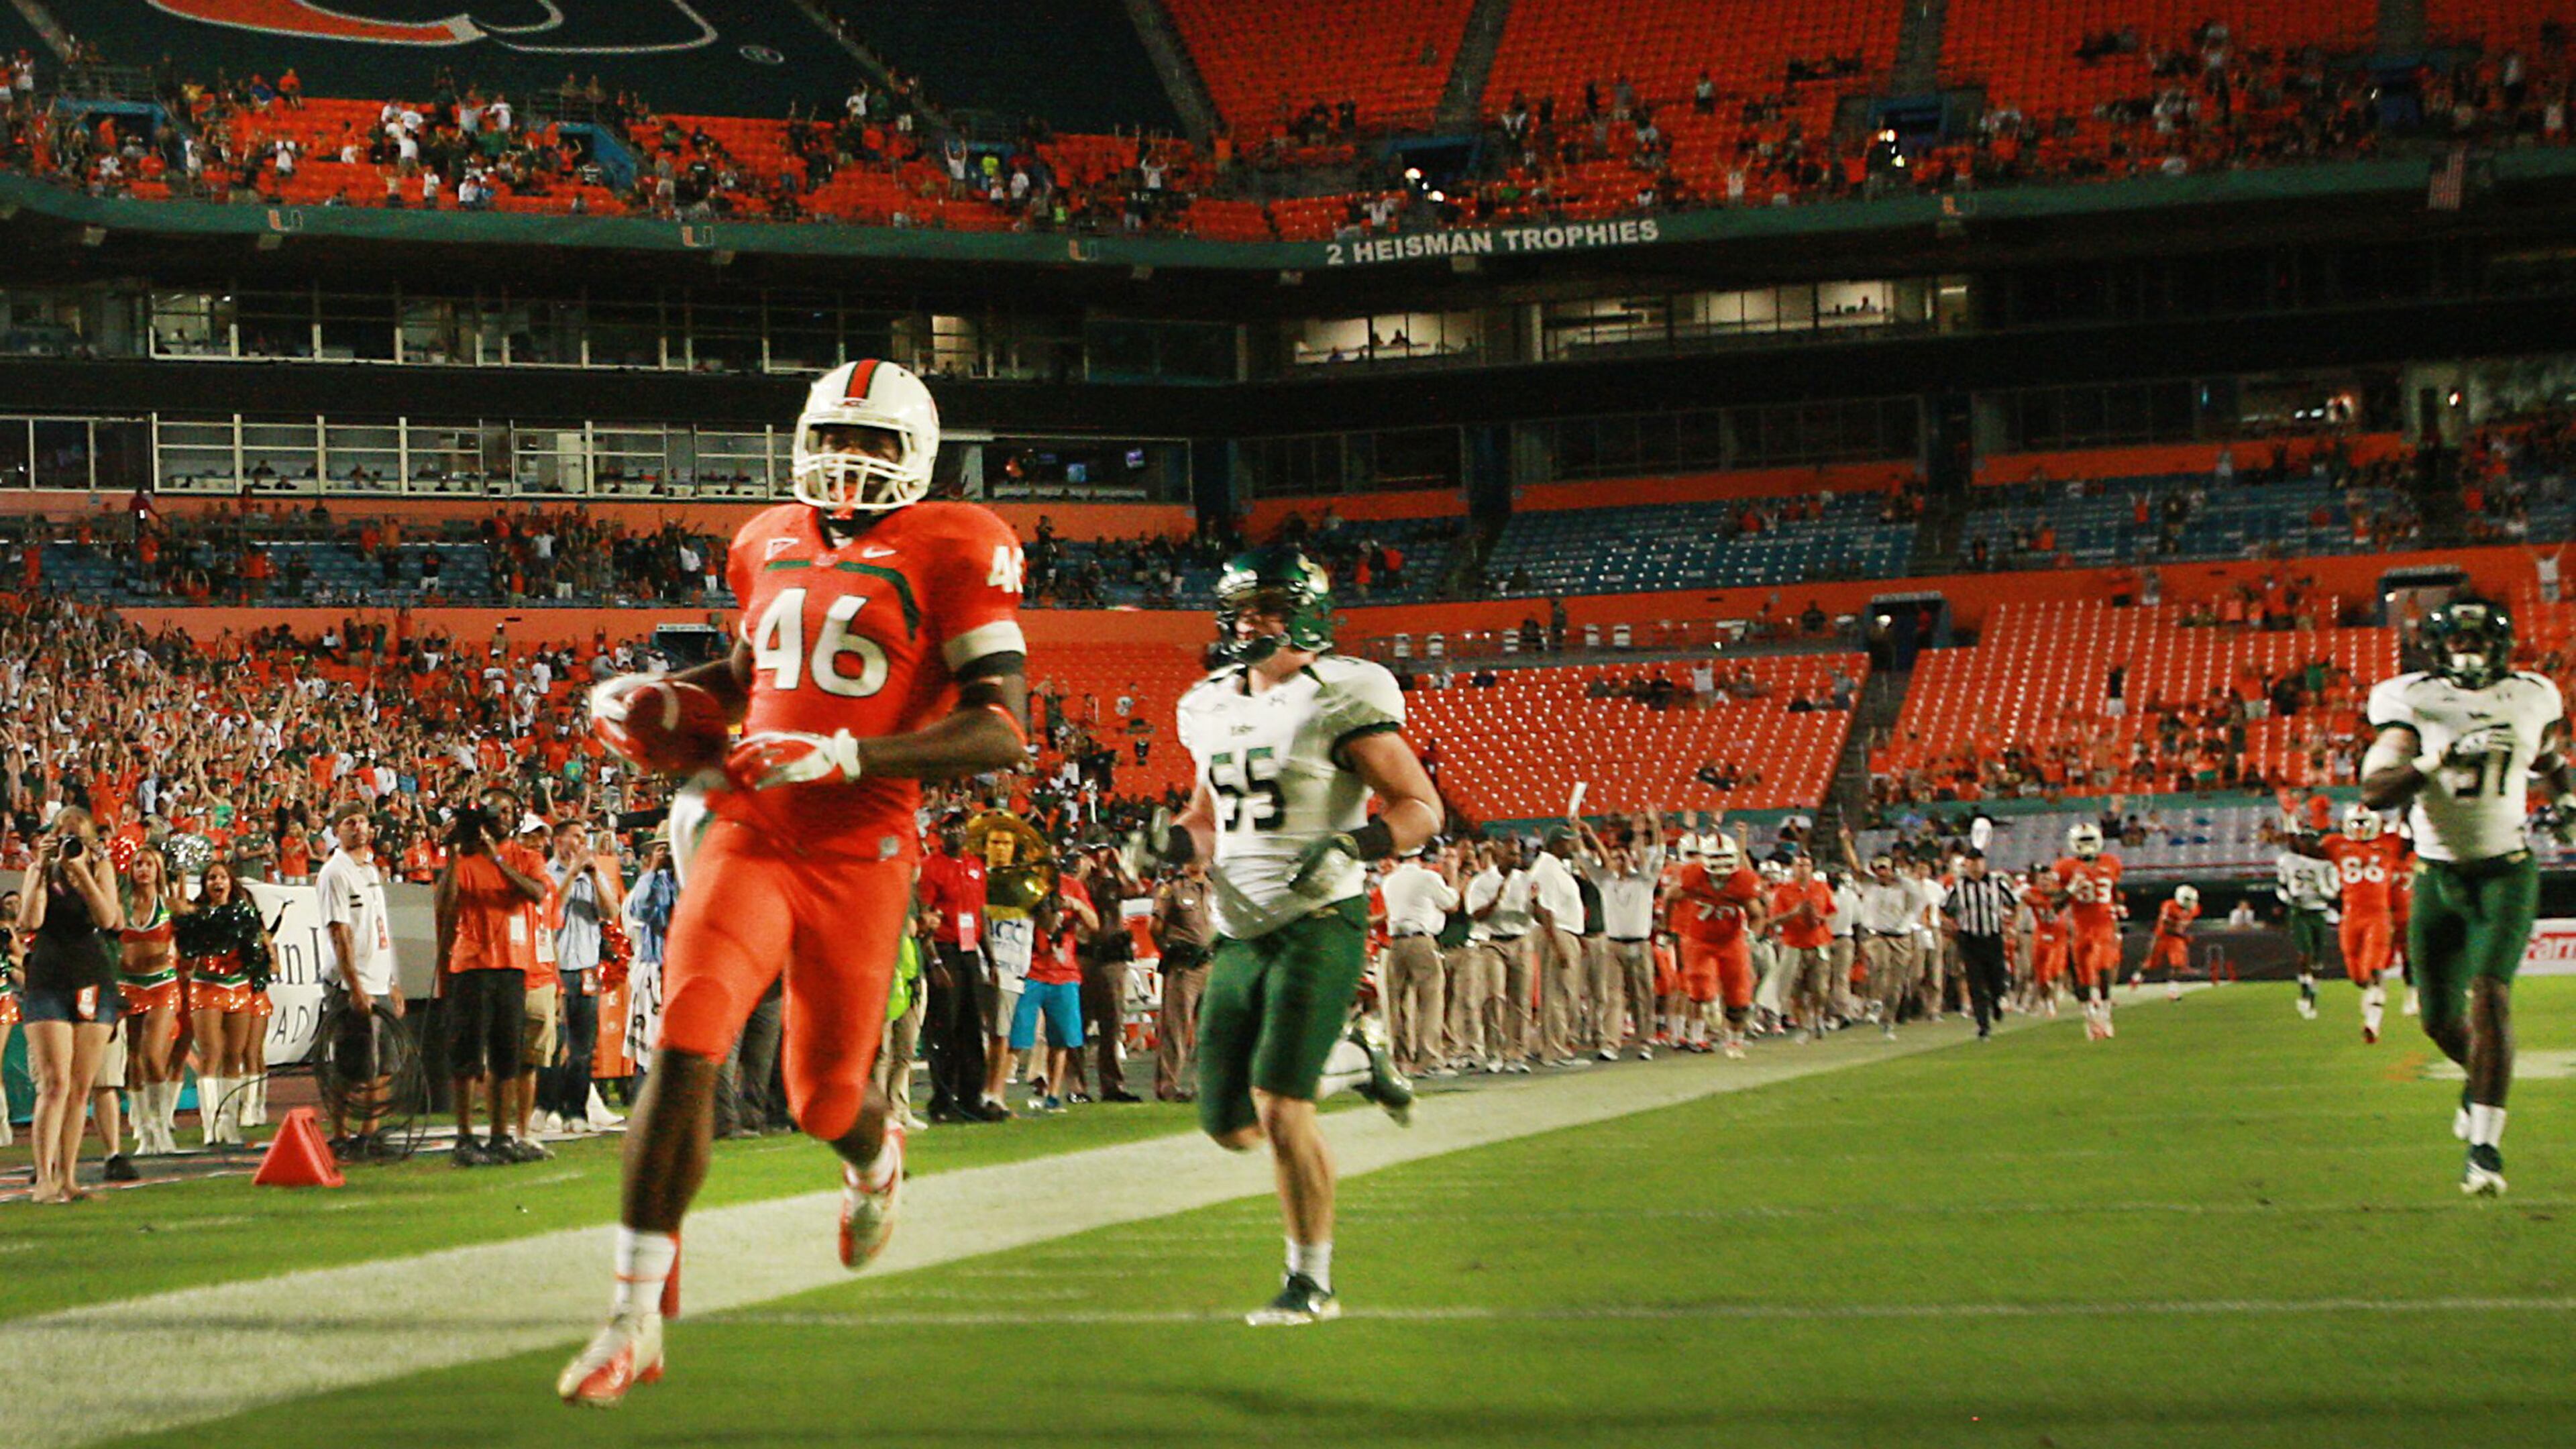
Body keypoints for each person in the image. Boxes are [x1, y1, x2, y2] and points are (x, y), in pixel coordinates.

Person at [564, 358, 1028, 1403]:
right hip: (751, 823)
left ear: (917, 455)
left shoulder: (961, 544)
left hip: (860, 846)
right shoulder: (763, 538)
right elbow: (751, 677)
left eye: (874, 443)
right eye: (836, 437)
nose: (848, 462)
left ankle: (874, 1158)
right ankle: (634, 1317)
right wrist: (660, 696)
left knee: (825, 1100)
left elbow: (1002, 728)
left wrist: (851, 757)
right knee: (689, 1031)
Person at [1151, 543, 1436, 1326]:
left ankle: (1310, 1281)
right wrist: (1172, 845)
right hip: (1238, 930)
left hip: (1320, 919)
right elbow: (1208, 820)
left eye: (1269, 606)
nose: (1253, 621)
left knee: (1280, 1108)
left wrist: (1356, 844)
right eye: (1244, 607)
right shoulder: (1208, 702)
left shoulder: (1341, 692)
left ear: (1308, 609)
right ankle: (1354, 1059)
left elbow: (1420, 807)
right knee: (1228, 1124)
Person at [2359, 596, 2572, 1195]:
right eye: (2459, 641)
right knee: (2438, 1021)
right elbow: (2376, 789)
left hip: (2506, 870)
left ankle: (2485, 1149)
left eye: (2479, 640)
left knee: (2491, 995)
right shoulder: (2412, 700)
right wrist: (2437, 759)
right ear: (2438, 646)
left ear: (2502, 645)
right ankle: (2478, 1081)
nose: (2469, 650)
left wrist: (2567, 802)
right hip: (2435, 877)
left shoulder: (2531, 694)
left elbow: (2551, 758)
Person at [15, 809, 122, 1201]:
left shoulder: (101, 869)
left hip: (91, 976)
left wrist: (84, 875)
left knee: (80, 1087)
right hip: (48, 977)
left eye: (78, 838)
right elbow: (30, 920)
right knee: (55, 1082)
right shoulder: (39, 872)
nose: (70, 846)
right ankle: (44, 1178)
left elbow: (109, 918)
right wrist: (43, 870)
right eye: (65, 837)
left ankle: (69, 1177)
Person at [433, 804, 548, 1166]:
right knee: (467, 1056)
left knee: (506, 1056)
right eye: (491, 815)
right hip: (472, 966)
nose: (497, 821)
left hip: (512, 966)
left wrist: (497, 861)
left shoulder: (525, 858)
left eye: (503, 813)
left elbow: (536, 893)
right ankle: (465, 1137)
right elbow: (444, 903)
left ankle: (501, 1136)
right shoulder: (465, 861)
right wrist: (454, 855)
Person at [316, 808, 400, 1155]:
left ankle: (370, 1134)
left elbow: (380, 929)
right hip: (354, 984)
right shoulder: (335, 873)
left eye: (363, 821)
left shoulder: (371, 869)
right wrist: (355, 985)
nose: (359, 828)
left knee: (385, 1066)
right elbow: (340, 932)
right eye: (350, 823)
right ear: (337, 831)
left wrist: (392, 980)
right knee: (353, 1068)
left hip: (379, 979)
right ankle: (340, 1135)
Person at [173, 857, 272, 1148]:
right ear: (205, 885)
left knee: (234, 1054)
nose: (217, 883)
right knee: (210, 1054)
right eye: (211, 878)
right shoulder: (196, 915)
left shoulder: (244, 914)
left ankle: (229, 1124)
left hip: (238, 987)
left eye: (222, 878)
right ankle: (210, 1125)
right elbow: (187, 952)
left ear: (231, 883)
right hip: (206, 986)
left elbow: (256, 953)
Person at [915, 815, 999, 1121]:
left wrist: (990, 959)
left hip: (969, 953)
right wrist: (935, 961)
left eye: (961, 828)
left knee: (973, 1027)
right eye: (951, 828)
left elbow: (981, 915)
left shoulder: (975, 865)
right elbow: (926, 917)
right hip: (946, 951)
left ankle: (971, 1097)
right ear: (941, 833)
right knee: (945, 1029)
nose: (957, 834)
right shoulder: (931, 867)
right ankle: (943, 1101)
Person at [115, 846, 184, 1157]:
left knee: (153, 1056)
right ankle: (141, 1129)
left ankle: (160, 1124)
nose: (143, 869)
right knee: (132, 1058)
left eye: (150, 865)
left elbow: (201, 923)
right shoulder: (119, 905)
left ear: (159, 871)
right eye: (138, 864)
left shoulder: (169, 906)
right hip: (128, 986)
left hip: (162, 985)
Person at [1673, 831, 1766, 1056]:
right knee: (1698, 986)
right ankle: (1709, 1010)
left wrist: (1752, 936)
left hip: (1731, 940)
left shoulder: (1743, 881)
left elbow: (1758, 914)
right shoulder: (1693, 876)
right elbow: (1670, 897)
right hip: (1700, 939)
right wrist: (1671, 927)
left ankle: (1735, 1040)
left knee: (1738, 995)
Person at [1377, 844, 1458, 1077]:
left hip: (1395, 944)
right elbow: (1451, 904)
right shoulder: (1428, 877)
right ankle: (1429, 1059)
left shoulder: (1389, 881)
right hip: (1421, 942)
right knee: (1430, 1001)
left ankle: (1402, 1060)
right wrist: (1452, 876)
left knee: (1399, 1004)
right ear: (1422, 857)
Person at [2050, 822, 2125, 1040]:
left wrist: (2117, 908)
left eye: (2090, 840)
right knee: (2082, 979)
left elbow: (2115, 890)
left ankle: (2105, 1015)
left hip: (2104, 926)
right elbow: (2056, 905)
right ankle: (2090, 1017)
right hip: (2080, 927)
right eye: (2083, 841)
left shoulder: (2111, 863)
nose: (2087, 845)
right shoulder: (2064, 867)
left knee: (2103, 971)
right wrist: (2071, 889)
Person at [1149, 855, 1215, 1102]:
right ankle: (1168, 1086)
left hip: (1210, 964)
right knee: (1176, 1028)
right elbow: (1154, 927)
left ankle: (1204, 1085)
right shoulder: (1172, 888)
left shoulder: (1212, 887)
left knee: (1208, 1029)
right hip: (1183, 967)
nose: (1199, 862)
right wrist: (1168, 950)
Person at [1941, 851, 2017, 1039]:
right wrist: (1950, 926)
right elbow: (1945, 910)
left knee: (1996, 978)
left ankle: (1997, 999)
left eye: (1978, 862)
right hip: (1969, 939)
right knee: (1975, 982)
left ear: (1984, 863)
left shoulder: (1996, 883)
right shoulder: (1958, 887)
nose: (1975, 866)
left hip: (1993, 936)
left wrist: (2011, 925)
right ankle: (1983, 1025)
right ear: (1966, 865)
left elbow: (2015, 903)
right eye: (1971, 863)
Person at [2273, 837, 2338, 1021]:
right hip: (2300, 912)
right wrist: (2289, 899)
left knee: (2318, 961)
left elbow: (2334, 892)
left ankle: (2312, 995)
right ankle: (2304, 993)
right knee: (2306, 953)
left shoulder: (2326, 866)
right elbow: (2281, 887)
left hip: (2319, 911)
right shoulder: (2289, 861)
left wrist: (2321, 889)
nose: (2307, 845)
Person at [2139, 885, 2199, 1002]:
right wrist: (2184, 936)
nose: (2190, 903)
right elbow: (2167, 928)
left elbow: (2187, 924)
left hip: (2176, 938)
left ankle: (2173, 990)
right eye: (2187, 899)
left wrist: (2184, 934)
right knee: (2150, 964)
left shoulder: (2195, 909)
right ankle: (2137, 978)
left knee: (2177, 964)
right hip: (2162, 937)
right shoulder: (2169, 906)